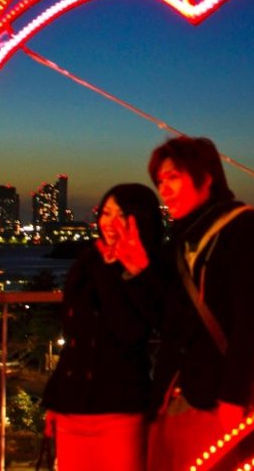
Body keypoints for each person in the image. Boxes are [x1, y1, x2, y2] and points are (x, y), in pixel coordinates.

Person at [139, 136, 254, 471]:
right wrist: (137, 267)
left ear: (207, 176)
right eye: (160, 181)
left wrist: (233, 398)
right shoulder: (183, 237)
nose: (165, 190)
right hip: (176, 393)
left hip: (219, 398)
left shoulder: (245, 226)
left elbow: (253, 319)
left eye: (174, 177)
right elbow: (166, 316)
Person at [42, 183, 163, 471]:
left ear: (140, 219)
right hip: (72, 404)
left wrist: (129, 270)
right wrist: (55, 402)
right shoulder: (87, 262)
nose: (110, 221)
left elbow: (132, 329)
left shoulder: (151, 267)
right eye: (106, 212)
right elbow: (74, 337)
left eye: (122, 214)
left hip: (121, 406)